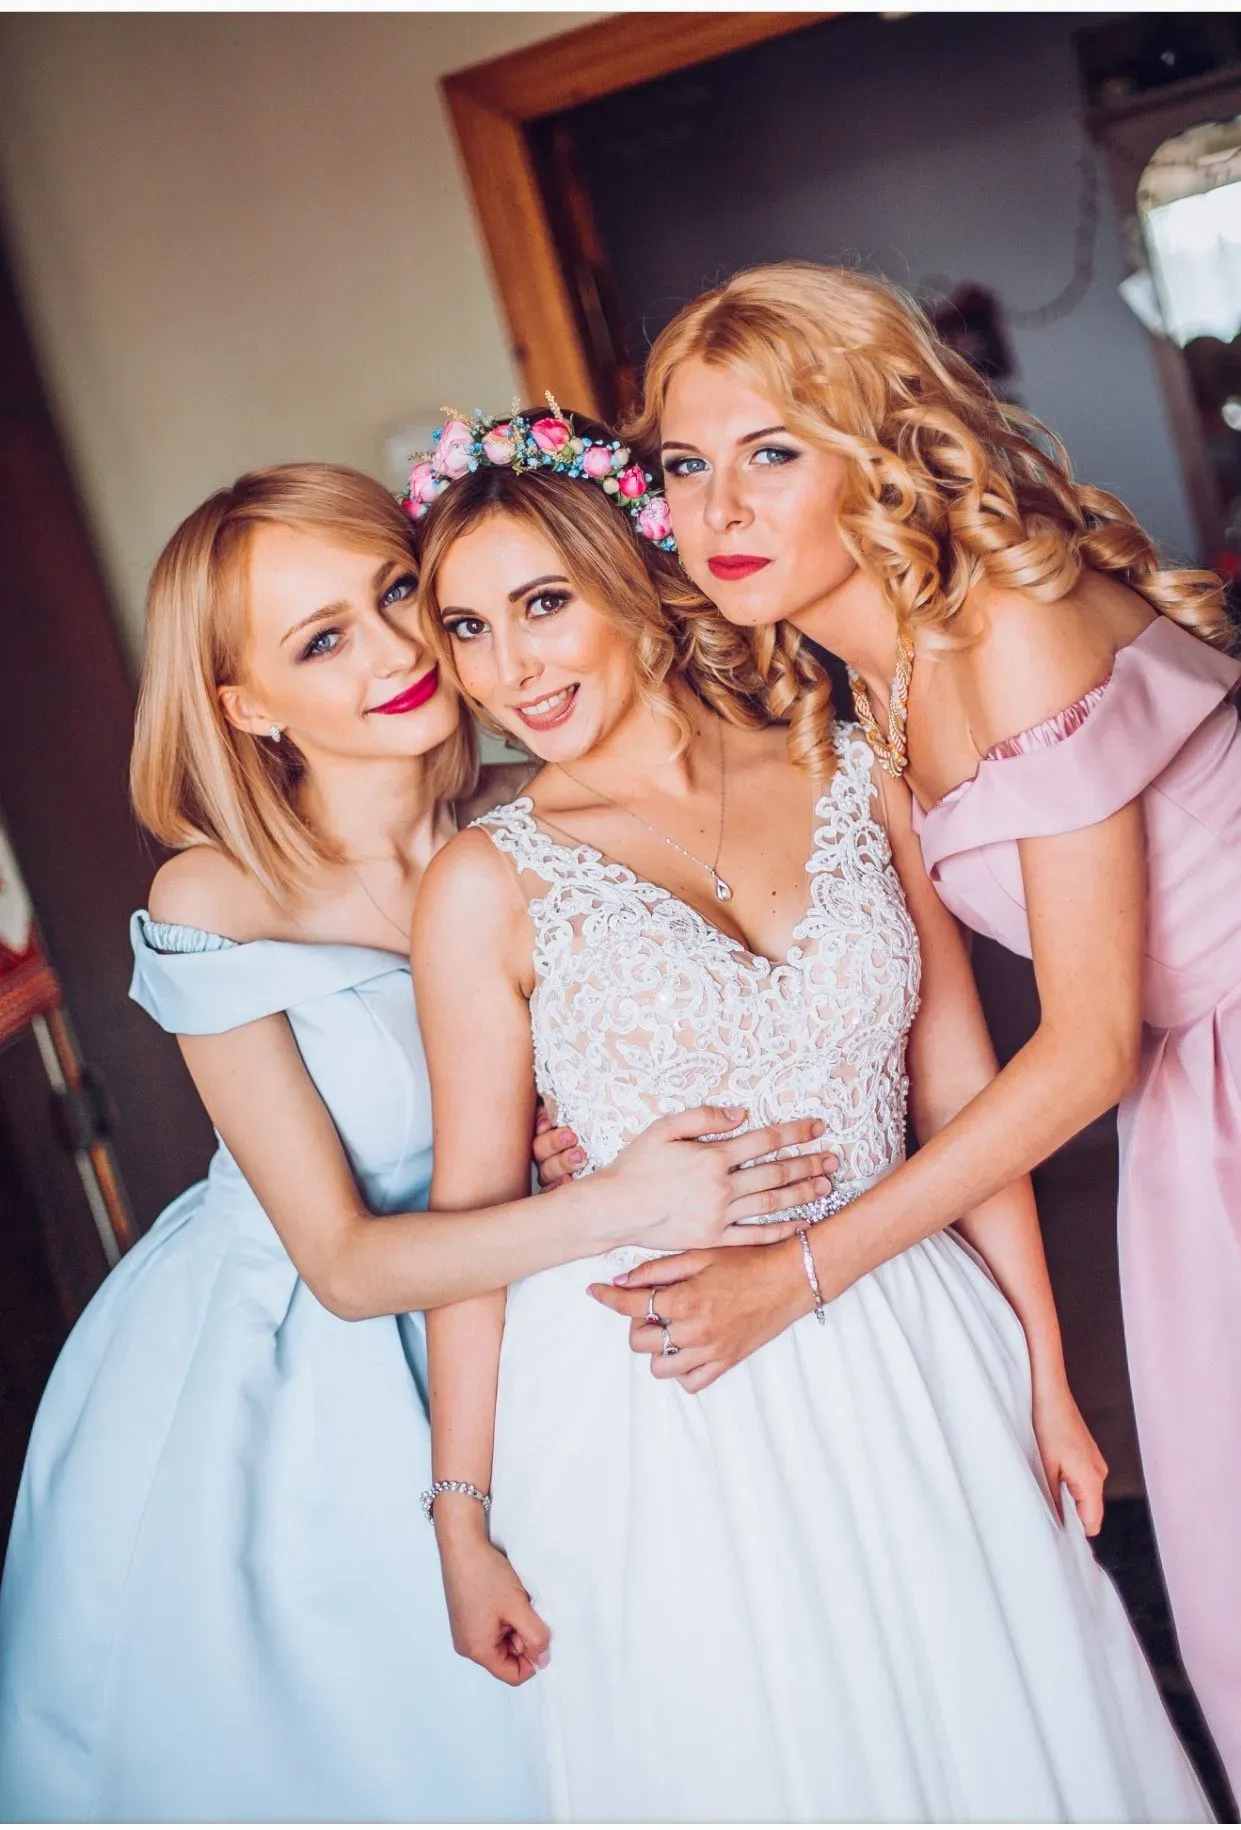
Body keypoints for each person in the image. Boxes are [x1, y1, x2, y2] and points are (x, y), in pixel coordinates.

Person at [406, 405, 1210, 1822]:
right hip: (660, 1397)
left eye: (542, 604)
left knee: (1002, 1735)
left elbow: (956, 1089)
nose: (507, 668)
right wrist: (461, 1520)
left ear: (639, 577)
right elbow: (467, 1221)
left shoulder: (853, 767)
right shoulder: (483, 884)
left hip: (915, 1338)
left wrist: (1043, 1365)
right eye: (466, 629)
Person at [0, 463, 830, 1823]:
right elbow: (340, 1261)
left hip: (527, 1306)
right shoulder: (217, 895)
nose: (395, 650)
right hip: (298, 1351)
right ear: (247, 706)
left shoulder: (533, 811)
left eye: (396, 594)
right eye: (322, 639)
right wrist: (623, 1198)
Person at [608, 258, 1241, 1796]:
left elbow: (1082, 1046)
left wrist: (800, 1273)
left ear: (879, 448)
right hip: (1194, 1098)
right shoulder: (870, 690)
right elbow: (911, 1030)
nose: (716, 509)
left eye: (770, 452)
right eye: (686, 465)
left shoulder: (1012, 622)